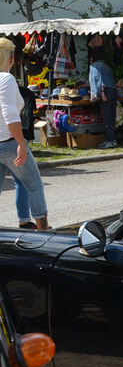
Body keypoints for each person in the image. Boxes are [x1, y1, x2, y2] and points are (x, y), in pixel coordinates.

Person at [0, 38, 48, 230]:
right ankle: (43, 229)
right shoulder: (6, 79)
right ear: (10, 59)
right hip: (9, 141)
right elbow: (9, 113)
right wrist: (21, 142)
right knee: (34, 185)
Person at [88, 48, 118, 149]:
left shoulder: (94, 66)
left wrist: (97, 94)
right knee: (112, 117)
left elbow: (97, 80)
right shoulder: (107, 66)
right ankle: (113, 139)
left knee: (107, 118)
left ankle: (110, 140)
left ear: (91, 58)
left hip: (105, 92)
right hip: (113, 91)